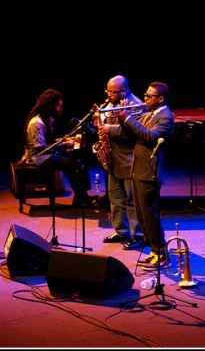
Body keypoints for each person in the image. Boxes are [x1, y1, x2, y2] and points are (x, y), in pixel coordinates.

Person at [104, 81, 175, 271]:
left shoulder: (165, 117)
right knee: (142, 216)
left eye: (149, 96)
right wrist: (120, 116)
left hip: (149, 172)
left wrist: (127, 118)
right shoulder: (150, 114)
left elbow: (149, 137)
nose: (144, 99)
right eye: (145, 95)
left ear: (160, 99)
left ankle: (160, 252)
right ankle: (153, 250)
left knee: (150, 216)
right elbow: (132, 132)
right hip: (138, 171)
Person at [19, 88, 90, 206]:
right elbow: (40, 149)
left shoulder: (48, 119)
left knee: (77, 158)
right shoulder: (37, 123)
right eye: (58, 106)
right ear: (50, 106)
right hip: (37, 158)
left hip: (44, 154)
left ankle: (82, 195)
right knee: (69, 163)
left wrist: (68, 139)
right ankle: (80, 197)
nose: (61, 108)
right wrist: (65, 144)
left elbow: (49, 141)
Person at [98, 75, 145, 250]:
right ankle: (121, 231)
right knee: (115, 198)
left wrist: (110, 129)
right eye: (108, 91)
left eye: (113, 92)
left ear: (124, 90)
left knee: (132, 201)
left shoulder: (135, 105)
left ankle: (138, 235)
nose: (109, 95)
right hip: (114, 160)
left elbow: (137, 131)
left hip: (129, 159)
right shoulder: (110, 104)